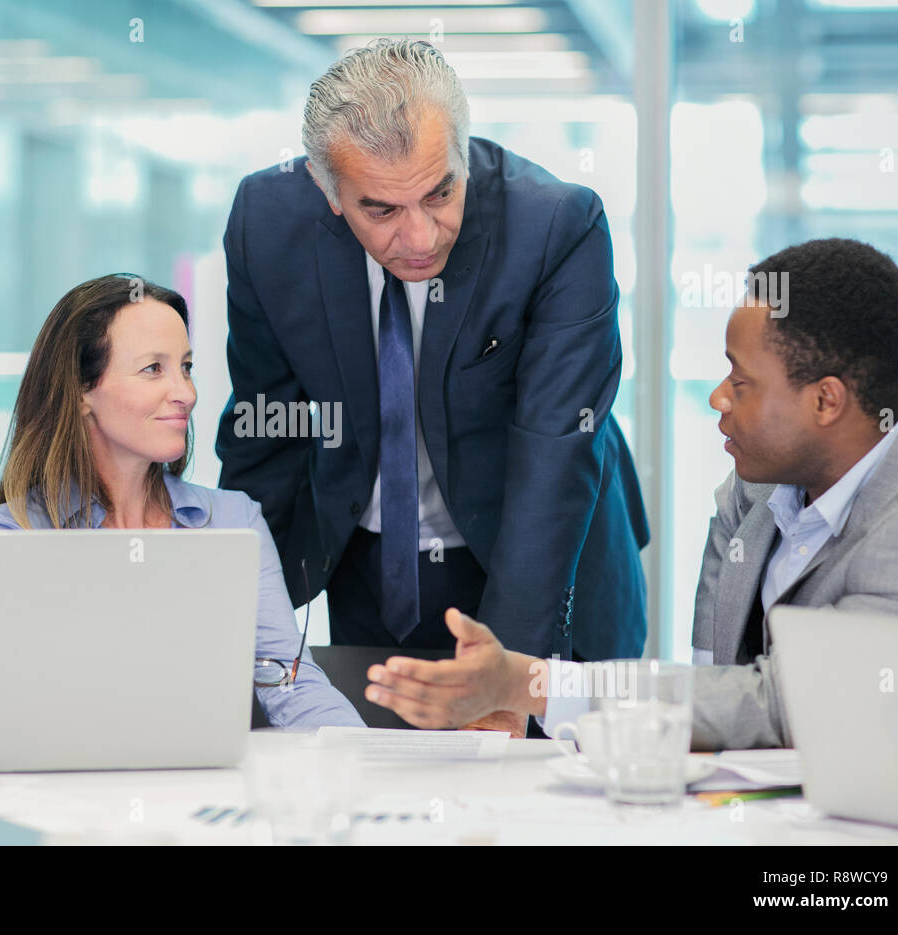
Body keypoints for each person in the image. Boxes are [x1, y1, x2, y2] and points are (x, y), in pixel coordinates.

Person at [214, 38, 649, 734]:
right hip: (368, 575)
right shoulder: (267, 225)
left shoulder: (556, 228)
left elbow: (553, 464)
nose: (419, 236)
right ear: (328, 191)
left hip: (543, 570)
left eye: (440, 193)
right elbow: (266, 436)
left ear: (463, 154)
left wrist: (507, 677)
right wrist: (238, 633)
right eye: (381, 210)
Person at [362, 238, 898, 750]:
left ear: (826, 401)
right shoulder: (755, 490)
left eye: (740, 382)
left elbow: (788, 707)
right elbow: (710, 686)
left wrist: (526, 681)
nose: (718, 397)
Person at [0, 273, 363, 729]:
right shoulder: (12, 537)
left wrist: (365, 766)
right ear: (81, 391)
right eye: (153, 369)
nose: (187, 393)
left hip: (198, 792)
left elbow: (290, 684)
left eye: (187, 367)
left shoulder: (235, 522)